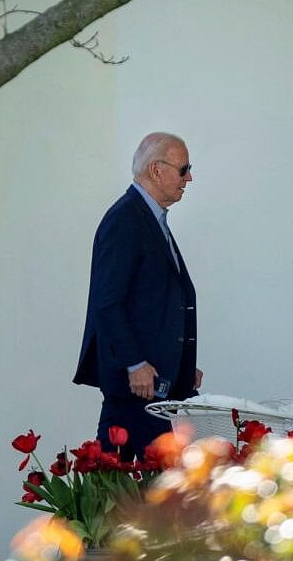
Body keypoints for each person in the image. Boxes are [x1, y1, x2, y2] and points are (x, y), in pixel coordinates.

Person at [74, 132, 202, 459]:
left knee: (139, 488)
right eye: (183, 168)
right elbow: (108, 301)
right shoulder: (126, 220)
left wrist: (183, 367)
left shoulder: (149, 218)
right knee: (128, 489)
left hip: (153, 385)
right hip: (138, 386)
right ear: (157, 170)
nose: (189, 177)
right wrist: (134, 364)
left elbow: (153, 302)